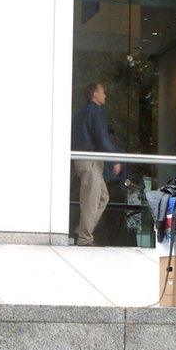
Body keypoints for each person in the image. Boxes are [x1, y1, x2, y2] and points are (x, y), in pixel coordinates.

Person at [71, 82, 121, 246]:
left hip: (84, 160)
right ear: (94, 94)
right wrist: (114, 159)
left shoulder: (81, 114)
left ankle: (82, 230)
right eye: (103, 92)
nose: (105, 95)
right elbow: (102, 137)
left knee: (102, 197)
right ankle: (85, 238)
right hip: (90, 159)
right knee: (91, 199)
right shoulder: (95, 111)